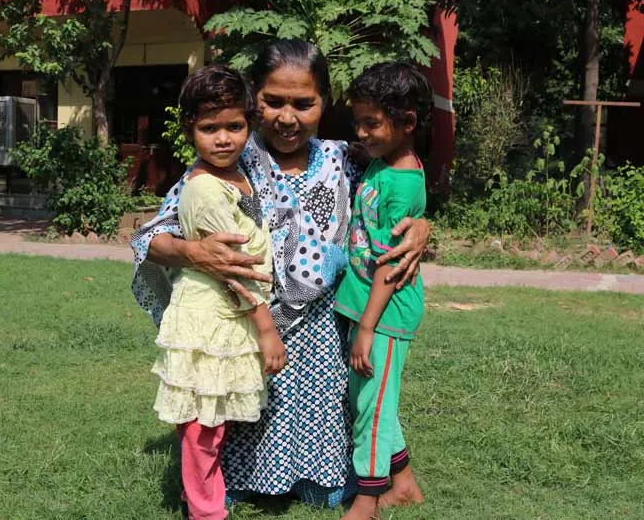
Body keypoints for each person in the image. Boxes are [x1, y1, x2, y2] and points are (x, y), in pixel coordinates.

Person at [130, 39, 430, 508]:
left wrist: (424, 225)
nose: (287, 117)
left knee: (333, 420)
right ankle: (231, 489)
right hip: (252, 329)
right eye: (273, 102)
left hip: (323, 335)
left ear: (324, 103)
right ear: (255, 101)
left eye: (303, 103)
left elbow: (396, 178)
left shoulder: (344, 159)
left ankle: (335, 483)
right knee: (243, 421)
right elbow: (151, 237)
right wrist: (194, 251)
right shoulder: (230, 156)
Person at [150, 65, 286, 520]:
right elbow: (235, 270)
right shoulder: (204, 190)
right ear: (190, 130)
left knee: (211, 422)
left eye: (234, 126)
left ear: (250, 124)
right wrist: (268, 331)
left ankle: (203, 503)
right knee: (201, 427)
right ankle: (207, 512)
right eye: (209, 128)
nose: (224, 138)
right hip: (211, 317)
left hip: (229, 316)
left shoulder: (239, 176)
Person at [334, 62, 430, 520]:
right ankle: (404, 483)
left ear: (407, 123)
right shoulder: (381, 164)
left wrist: (368, 327)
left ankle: (367, 499)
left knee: (370, 408)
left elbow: (391, 266)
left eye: (372, 122)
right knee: (371, 400)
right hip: (368, 308)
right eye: (359, 121)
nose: (362, 131)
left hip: (387, 313)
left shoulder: (404, 183)